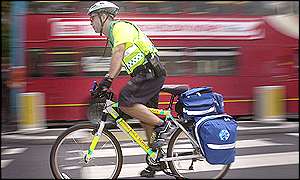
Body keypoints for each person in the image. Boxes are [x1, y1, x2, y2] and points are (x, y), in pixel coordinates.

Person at [88, 1, 173, 177]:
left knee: (126, 102)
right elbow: (118, 64)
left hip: (149, 71)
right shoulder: (113, 35)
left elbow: (119, 52)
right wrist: (106, 80)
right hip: (145, 74)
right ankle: (156, 159)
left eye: (93, 17)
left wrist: (108, 80)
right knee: (146, 120)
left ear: (104, 17)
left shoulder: (120, 28)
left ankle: (163, 126)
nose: (91, 22)